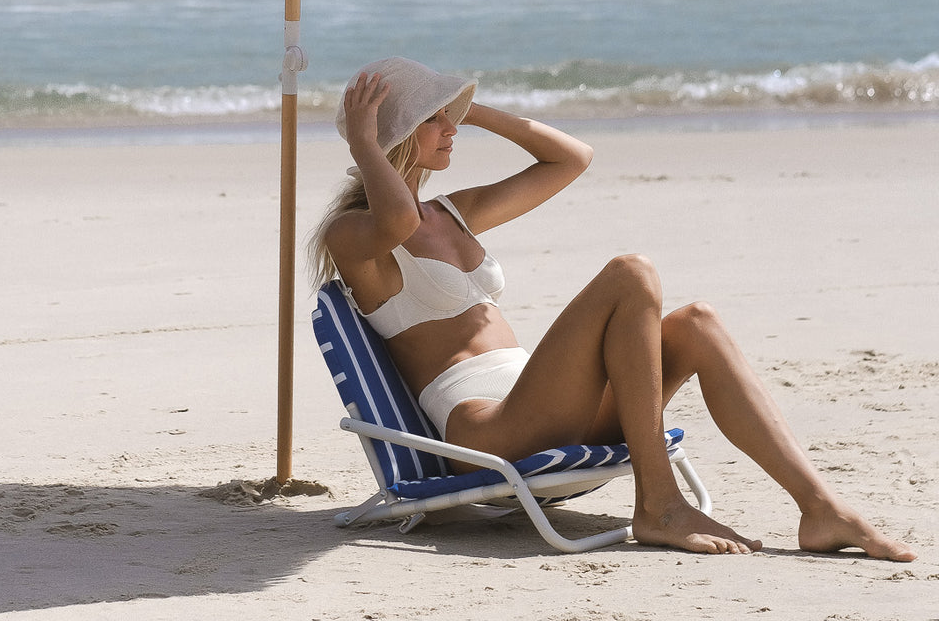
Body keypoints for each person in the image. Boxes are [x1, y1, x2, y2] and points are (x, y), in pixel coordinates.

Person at [309, 56, 916, 559]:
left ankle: (820, 509)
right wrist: (367, 141)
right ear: (395, 134)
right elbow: (395, 218)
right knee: (631, 274)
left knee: (698, 322)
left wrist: (471, 110)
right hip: (490, 426)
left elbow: (571, 157)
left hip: (547, 399)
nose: (452, 129)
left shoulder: (453, 213)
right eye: (434, 119)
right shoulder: (353, 235)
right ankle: (658, 504)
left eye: (451, 117)